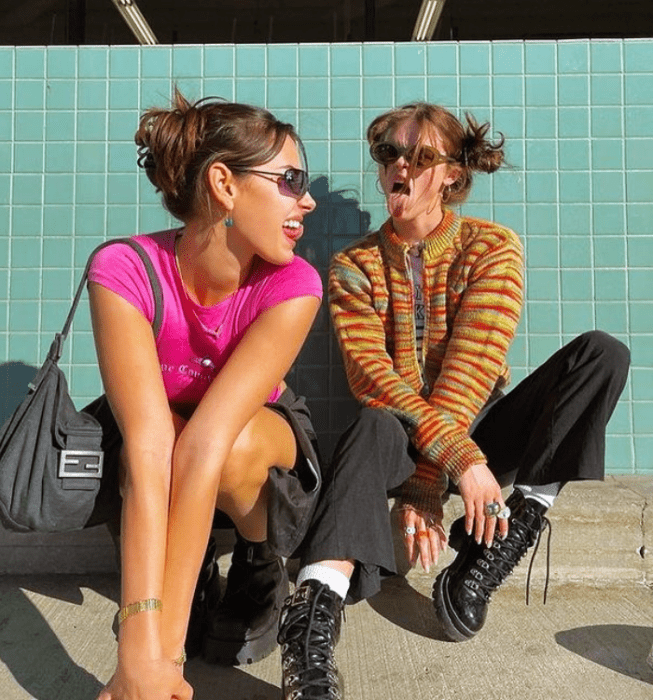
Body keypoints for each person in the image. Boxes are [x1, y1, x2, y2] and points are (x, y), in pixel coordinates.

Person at [277, 102, 631, 700]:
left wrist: (447, 472)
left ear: (451, 175)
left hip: (479, 434)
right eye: (389, 153)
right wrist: (428, 479)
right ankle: (311, 629)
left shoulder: (492, 248)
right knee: (370, 420)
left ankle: (500, 539)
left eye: (420, 157)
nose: (401, 167)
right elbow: (372, 378)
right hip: (403, 439)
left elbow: (473, 369)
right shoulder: (354, 265)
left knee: (603, 354)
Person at [88, 90, 322, 700]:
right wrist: (138, 650)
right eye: (290, 180)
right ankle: (180, 593)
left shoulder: (294, 283)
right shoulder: (124, 268)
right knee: (157, 435)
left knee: (228, 444)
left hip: (249, 440)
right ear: (224, 184)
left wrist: (165, 660)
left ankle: (256, 557)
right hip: (166, 445)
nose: (308, 200)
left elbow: (207, 444)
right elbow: (146, 445)